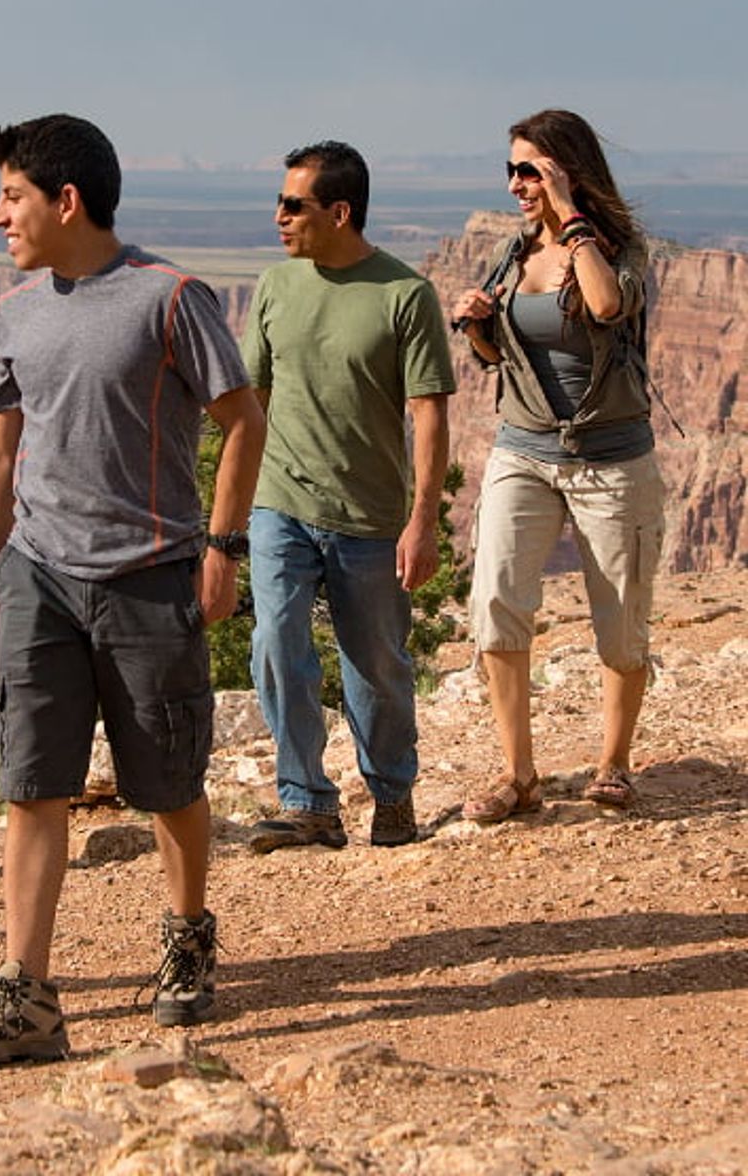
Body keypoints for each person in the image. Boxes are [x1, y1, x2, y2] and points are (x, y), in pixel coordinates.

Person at [0, 114, 265, 1067]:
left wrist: (224, 547)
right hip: (39, 575)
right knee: (32, 784)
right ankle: (27, 990)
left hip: (151, 574)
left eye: (11, 197)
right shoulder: (16, 311)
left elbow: (243, 420)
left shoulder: (170, 298)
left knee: (167, 780)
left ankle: (188, 931)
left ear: (64, 200)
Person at [241, 141, 456, 853]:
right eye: (279, 202)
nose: (278, 216)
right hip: (281, 503)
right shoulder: (275, 288)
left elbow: (430, 416)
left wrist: (422, 521)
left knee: (378, 669)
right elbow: (251, 406)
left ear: (339, 211)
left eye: (292, 205)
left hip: (370, 518)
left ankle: (391, 793)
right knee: (277, 644)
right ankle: (306, 801)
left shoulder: (404, 295)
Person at [452, 109, 665, 821]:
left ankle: (613, 764)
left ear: (567, 171)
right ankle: (518, 775)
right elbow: (497, 358)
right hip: (525, 450)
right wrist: (481, 324)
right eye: (511, 169)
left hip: (612, 459)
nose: (516, 184)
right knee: (497, 603)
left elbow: (605, 305)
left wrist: (572, 216)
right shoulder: (513, 255)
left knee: (620, 620)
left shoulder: (621, 250)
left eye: (530, 170)